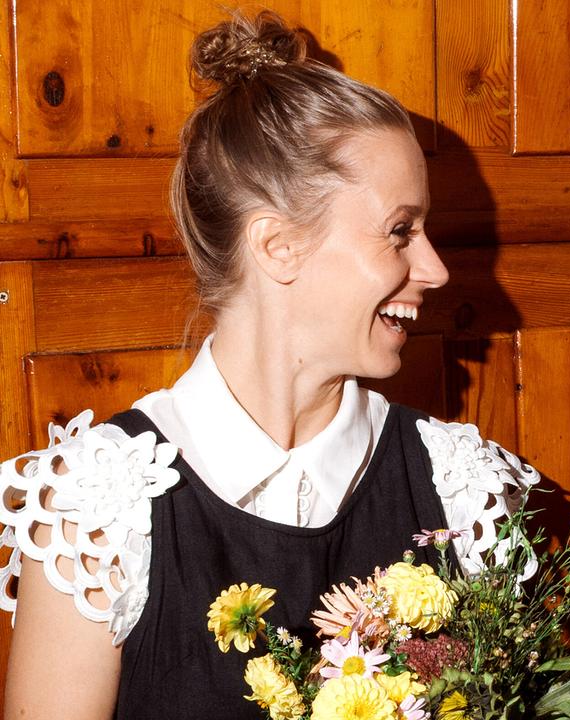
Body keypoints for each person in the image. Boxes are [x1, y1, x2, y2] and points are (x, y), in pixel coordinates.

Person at [0, 11, 537, 718]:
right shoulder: (98, 513)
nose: (434, 269)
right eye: (400, 231)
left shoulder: (463, 490)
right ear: (278, 246)